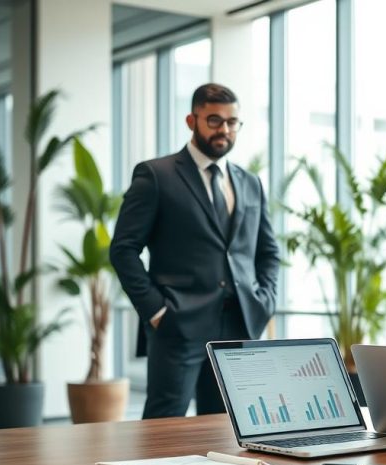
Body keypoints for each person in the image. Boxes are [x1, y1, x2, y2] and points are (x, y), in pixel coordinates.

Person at [111, 83, 280, 419]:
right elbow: (123, 249)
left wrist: (265, 300)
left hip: (238, 327)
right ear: (192, 120)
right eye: (214, 120)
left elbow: (268, 252)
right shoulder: (156, 175)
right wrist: (157, 312)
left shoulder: (250, 182)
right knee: (163, 428)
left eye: (233, 122)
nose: (225, 130)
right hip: (177, 325)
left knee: (226, 430)